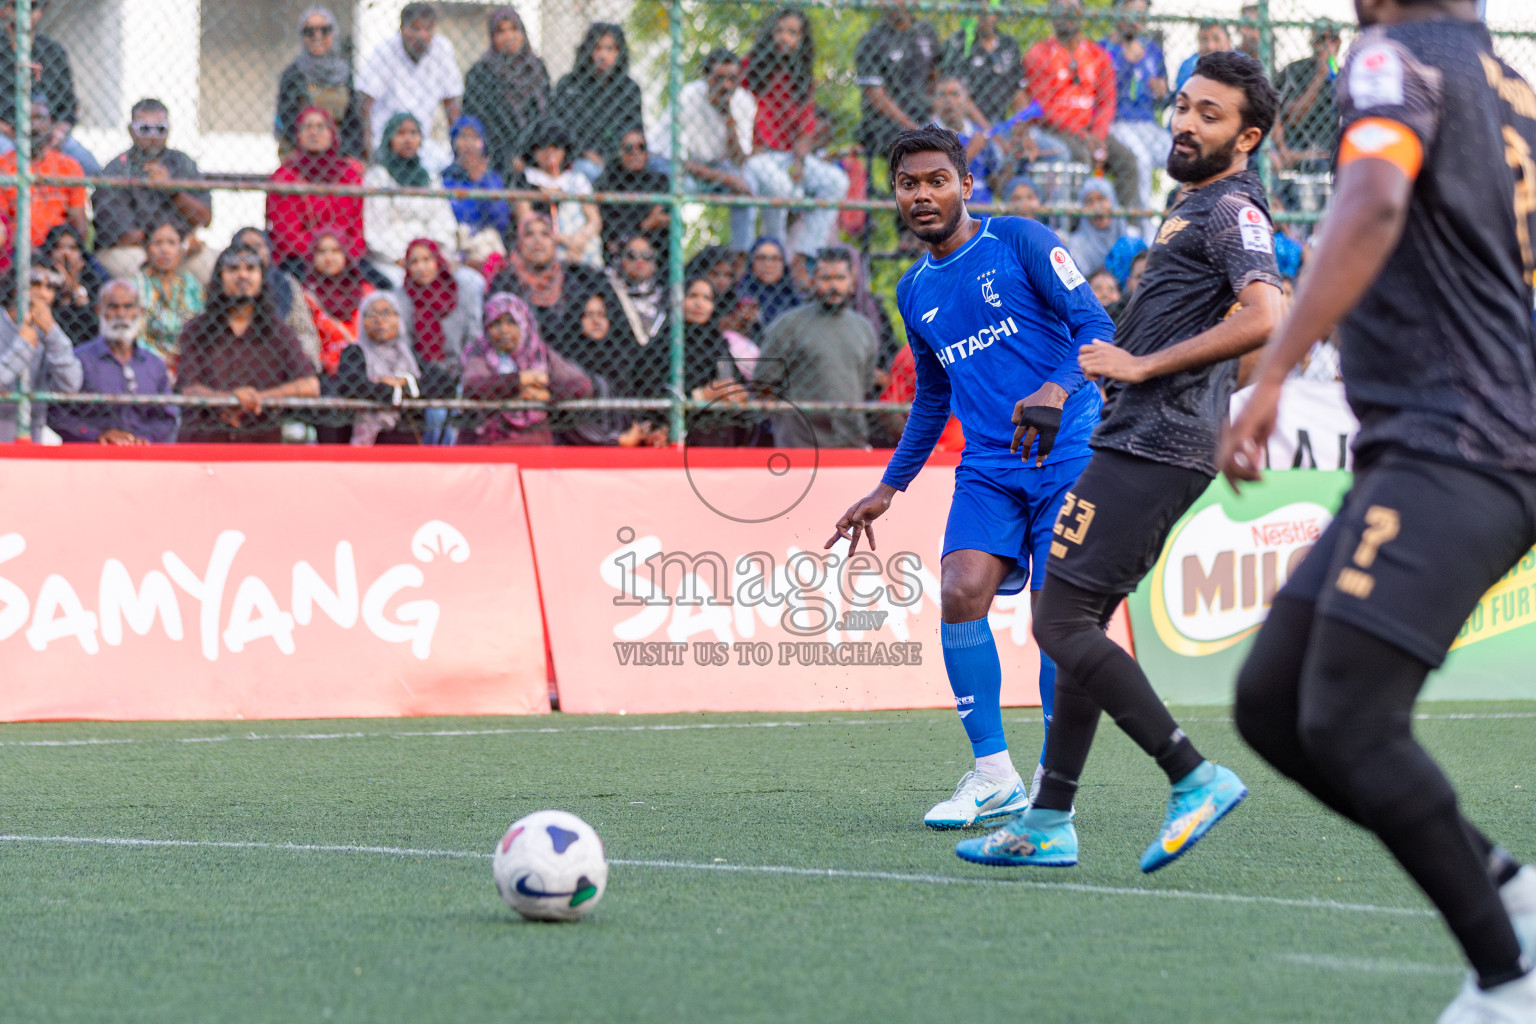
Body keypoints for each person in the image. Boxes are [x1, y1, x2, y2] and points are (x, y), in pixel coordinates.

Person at [1221, 2, 1536, 1018]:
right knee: (1273, 704)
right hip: (1444, 443)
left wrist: (1271, 374)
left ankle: (1510, 980)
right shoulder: (1507, 86)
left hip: (1462, 444)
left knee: (1351, 716)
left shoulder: (1396, 58)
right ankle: (1514, 896)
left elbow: (1371, 203)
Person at [973, 52, 1281, 873]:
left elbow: (1266, 313)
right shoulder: (1195, 205)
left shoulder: (1231, 212)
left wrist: (1144, 370)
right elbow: (1238, 342)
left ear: (1246, 136)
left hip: (1153, 444)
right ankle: (1047, 821)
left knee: (1058, 621)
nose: (1186, 122)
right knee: (1081, 621)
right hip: (1146, 436)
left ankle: (1192, 776)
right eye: (1184, 106)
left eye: (1210, 115)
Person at [826, 124, 1114, 830]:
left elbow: (1096, 326)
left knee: (1058, 621)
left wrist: (1054, 388)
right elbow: (932, 396)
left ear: (965, 185)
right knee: (959, 592)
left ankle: (1054, 774)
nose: (922, 195)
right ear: (894, 196)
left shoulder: (1019, 241)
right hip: (987, 468)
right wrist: (888, 487)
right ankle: (994, 775)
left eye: (935, 181)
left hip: (1071, 455)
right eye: (908, 185)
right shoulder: (913, 289)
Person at [647, 49, 796, 254]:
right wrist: (727, 180)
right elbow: (680, 162)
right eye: (718, 78)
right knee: (684, 188)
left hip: (713, 167)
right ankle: (671, 258)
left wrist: (729, 120)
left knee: (747, 187)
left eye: (732, 79)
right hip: (669, 163)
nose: (726, 85)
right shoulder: (688, 96)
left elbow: (738, 161)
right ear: (706, 78)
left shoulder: (743, 101)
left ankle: (741, 257)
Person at [175, 244, 320, 443]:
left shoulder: (278, 332)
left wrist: (256, 399)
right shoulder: (197, 329)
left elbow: (310, 385)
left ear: (262, 278)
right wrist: (229, 399)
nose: (242, 275)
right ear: (220, 278)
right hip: (204, 442)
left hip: (260, 446)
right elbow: (188, 388)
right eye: (233, 269)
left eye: (250, 269)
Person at [742, 9, 851, 270]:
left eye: (792, 33)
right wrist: (748, 146)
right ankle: (775, 257)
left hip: (788, 156)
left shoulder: (803, 76)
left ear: (802, 39)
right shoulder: (749, 67)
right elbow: (738, 110)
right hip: (755, 156)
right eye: (779, 31)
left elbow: (805, 128)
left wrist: (800, 162)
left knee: (837, 182)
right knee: (780, 191)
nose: (784, 38)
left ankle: (803, 255)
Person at [1022, 0, 1138, 212]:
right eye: (1060, 9)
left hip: (1092, 131)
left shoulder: (1098, 55)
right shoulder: (1038, 53)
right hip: (1056, 129)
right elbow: (1043, 106)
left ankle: (1128, 226)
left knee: (1128, 160)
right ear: (1051, 14)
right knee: (1081, 157)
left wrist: (1098, 135)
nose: (1067, 15)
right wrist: (1083, 136)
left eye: (1073, 8)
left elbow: (1106, 102)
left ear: (1082, 13)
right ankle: (1076, 225)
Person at [756, 249, 877, 449]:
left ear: (852, 282)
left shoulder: (864, 328)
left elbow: (865, 385)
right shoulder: (788, 325)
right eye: (825, 278)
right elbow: (764, 383)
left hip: (850, 441)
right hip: (800, 444)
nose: (833, 286)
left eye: (840, 278)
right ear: (812, 281)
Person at [93, 98, 215, 283]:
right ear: (131, 130)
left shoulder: (182, 163)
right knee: (131, 263)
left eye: (160, 129)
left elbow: (205, 217)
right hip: (137, 250)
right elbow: (123, 236)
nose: (152, 136)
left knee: (211, 264)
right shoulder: (117, 168)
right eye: (144, 129)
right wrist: (167, 248)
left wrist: (173, 190)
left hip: (181, 248)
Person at [51, 280, 178, 445]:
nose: (121, 314)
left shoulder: (154, 364)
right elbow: (57, 414)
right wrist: (97, 435)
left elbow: (168, 417)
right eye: (113, 307)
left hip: (144, 456)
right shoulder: (80, 359)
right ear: (99, 311)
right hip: (91, 455)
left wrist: (144, 439)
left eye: (128, 307)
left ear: (139, 312)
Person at [461, 291, 592, 446]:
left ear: (523, 321)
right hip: (491, 442)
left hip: (536, 442)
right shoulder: (481, 353)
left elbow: (582, 386)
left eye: (511, 322)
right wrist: (520, 381)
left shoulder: (540, 353)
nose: (503, 330)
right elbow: (473, 386)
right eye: (495, 323)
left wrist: (544, 391)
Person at [332, 291, 456, 446]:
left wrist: (404, 383)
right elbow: (351, 385)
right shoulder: (355, 352)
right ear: (362, 320)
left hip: (409, 431)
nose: (380, 320)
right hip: (369, 436)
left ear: (399, 319)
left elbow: (446, 383)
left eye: (386, 313)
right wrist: (401, 392)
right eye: (372, 314)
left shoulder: (407, 353)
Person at [355, 2, 463, 167]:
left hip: (421, 142)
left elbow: (451, 106)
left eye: (428, 29)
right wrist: (369, 154)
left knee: (442, 166)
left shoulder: (442, 48)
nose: (422, 35)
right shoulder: (385, 50)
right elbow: (365, 102)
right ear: (401, 29)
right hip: (386, 142)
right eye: (415, 28)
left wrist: (456, 151)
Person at [266, 106, 366, 278]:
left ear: (331, 133)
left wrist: (338, 254)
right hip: (299, 259)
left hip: (346, 258)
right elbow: (286, 236)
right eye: (307, 127)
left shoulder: (349, 176)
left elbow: (358, 232)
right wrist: (322, 252)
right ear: (299, 135)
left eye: (320, 127)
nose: (314, 132)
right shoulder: (285, 177)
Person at [0, 0, 95, 173]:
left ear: (42, 11)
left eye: (33, 6)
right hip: (6, 134)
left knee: (90, 166)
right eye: (17, 5)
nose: (25, 12)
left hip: (48, 135)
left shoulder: (53, 51)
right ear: (5, 9)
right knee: (7, 161)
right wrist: (10, 132)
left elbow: (68, 105)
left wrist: (57, 134)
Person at [489, 213, 611, 344]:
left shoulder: (572, 279)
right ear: (519, 242)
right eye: (529, 234)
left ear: (554, 241)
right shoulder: (506, 281)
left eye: (545, 234)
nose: (537, 240)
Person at [363, 113, 459, 278]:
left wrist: (429, 256)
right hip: (393, 260)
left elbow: (444, 221)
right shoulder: (378, 177)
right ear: (389, 138)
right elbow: (376, 228)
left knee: (466, 280)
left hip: (431, 257)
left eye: (413, 133)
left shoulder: (430, 178)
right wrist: (406, 258)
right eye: (400, 133)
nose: (408, 139)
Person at [1102, 0, 1170, 231]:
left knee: (1182, 154)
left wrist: (1161, 90)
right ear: (1118, 13)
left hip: (1147, 123)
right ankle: (1141, 226)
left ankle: (1186, 218)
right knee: (1140, 159)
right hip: (1117, 122)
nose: (1138, 19)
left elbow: (1162, 95)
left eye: (1142, 13)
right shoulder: (1103, 49)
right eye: (1132, 12)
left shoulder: (1152, 50)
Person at [463, 6, 549, 178]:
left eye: (514, 29)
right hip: (493, 154)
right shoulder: (481, 72)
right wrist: (507, 156)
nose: (509, 36)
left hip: (534, 154)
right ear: (492, 37)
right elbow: (479, 119)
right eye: (501, 31)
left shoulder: (536, 68)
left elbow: (544, 115)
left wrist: (528, 155)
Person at [551, 23, 644, 183]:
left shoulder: (629, 88)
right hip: (578, 159)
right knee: (592, 172)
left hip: (619, 160)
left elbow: (634, 130)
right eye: (597, 48)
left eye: (610, 49)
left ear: (619, 52)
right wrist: (586, 153)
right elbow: (561, 128)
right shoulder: (569, 84)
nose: (603, 55)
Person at [0, 263, 82, 442]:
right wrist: (24, 346)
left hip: (33, 433)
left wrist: (52, 333)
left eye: (50, 287)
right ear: (15, 286)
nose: (43, 294)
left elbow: (72, 383)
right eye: (35, 283)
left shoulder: (49, 331)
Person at [854, 5, 942, 166]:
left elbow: (936, 77)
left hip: (925, 114)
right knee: (912, 145)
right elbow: (875, 94)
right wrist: (912, 127)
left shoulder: (926, 31)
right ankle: (904, 188)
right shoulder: (872, 39)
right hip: (884, 123)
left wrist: (936, 115)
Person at [276, 7, 366, 161]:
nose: (317, 36)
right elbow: (286, 120)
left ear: (334, 33)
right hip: (301, 153)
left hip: (339, 153)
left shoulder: (344, 72)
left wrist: (346, 154)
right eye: (309, 31)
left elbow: (352, 121)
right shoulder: (294, 73)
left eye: (324, 30)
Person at [232, 226, 325, 374]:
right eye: (246, 247)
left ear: (268, 250)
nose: (253, 252)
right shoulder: (227, 285)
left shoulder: (286, 284)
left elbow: (306, 333)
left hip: (285, 361)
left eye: (258, 246)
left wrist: (298, 357)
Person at [0, 97, 87, 248]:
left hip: (58, 249)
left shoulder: (69, 166)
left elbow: (79, 224)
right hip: (16, 251)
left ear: (51, 124)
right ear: (14, 128)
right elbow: (3, 228)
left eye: (40, 118)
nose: (34, 125)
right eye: (27, 118)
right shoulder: (3, 167)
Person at [523, 120, 603, 269]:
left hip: (580, 243)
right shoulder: (528, 178)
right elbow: (525, 218)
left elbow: (594, 219)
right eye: (543, 148)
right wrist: (564, 240)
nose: (549, 154)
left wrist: (579, 240)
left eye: (556, 148)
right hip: (546, 241)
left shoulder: (577, 179)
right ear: (533, 151)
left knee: (572, 208)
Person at [941, 0, 1026, 130]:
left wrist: (1021, 127)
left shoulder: (1008, 44)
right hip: (965, 125)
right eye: (978, 4)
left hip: (1002, 124)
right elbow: (956, 96)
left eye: (989, 6)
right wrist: (990, 132)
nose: (983, 12)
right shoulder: (957, 43)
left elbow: (1018, 92)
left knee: (1057, 149)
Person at [132, 219, 206, 369]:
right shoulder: (137, 285)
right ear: (147, 249)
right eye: (157, 243)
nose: (164, 250)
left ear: (181, 249)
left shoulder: (191, 285)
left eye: (171, 243)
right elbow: (135, 336)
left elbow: (203, 327)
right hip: (146, 362)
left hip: (188, 362)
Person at [302, 228, 375, 375]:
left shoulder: (366, 293)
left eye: (336, 251)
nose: (328, 257)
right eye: (321, 252)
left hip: (370, 369)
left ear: (345, 255)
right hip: (329, 373)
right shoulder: (306, 298)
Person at [1273, 20, 1343, 172]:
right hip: (1299, 149)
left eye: (1331, 40)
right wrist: (1319, 76)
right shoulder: (1295, 70)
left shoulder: (1344, 75)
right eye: (1319, 40)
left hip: (1333, 152)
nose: (1324, 45)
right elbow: (1293, 119)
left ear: (1338, 44)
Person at [398, 238, 478, 372]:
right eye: (414, 262)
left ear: (438, 261)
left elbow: (473, 336)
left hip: (461, 367)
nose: (421, 267)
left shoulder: (459, 292)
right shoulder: (402, 298)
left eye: (427, 260)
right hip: (420, 370)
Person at [442, 116, 511, 269]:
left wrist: (481, 180)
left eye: (475, 137)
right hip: (456, 240)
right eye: (463, 136)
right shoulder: (445, 178)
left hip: (486, 240)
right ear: (453, 142)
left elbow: (500, 220)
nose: (469, 143)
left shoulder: (492, 179)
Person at [593, 127, 669, 262]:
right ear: (620, 152)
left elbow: (666, 218)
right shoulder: (607, 182)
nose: (636, 153)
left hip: (655, 249)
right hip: (620, 252)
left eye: (641, 147)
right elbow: (612, 232)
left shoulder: (659, 181)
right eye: (629, 148)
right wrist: (645, 224)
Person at [40, 224, 104, 346]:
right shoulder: (43, 280)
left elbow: (94, 324)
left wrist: (74, 287)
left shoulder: (92, 278)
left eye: (72, 248)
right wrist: (65, 293)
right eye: (59, 247)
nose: (66, 253)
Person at [606, 234, 667, 348]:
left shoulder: (664, 294)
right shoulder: (608, 288)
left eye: (647, 256)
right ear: (621, 259)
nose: (640, 261)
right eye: (632, 255)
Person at [737, 237, 801, 335]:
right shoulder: (740, 294)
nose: (768, 264)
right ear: (751, 262)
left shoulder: (792, 296)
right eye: (761, 258)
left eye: (775, 259)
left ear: (783, 264)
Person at [1068, 178, 1125, 276]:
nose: (1096, 206)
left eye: (1101, 198)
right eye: (1089, 201)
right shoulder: (1076, 245)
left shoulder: (1130, 239)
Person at [1176, 20, 1232, 92]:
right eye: (1204, 40)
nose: (1210, 46)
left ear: (1228, 41)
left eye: (1216, 39)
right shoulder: (1188, 65)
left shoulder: (1241, 62)